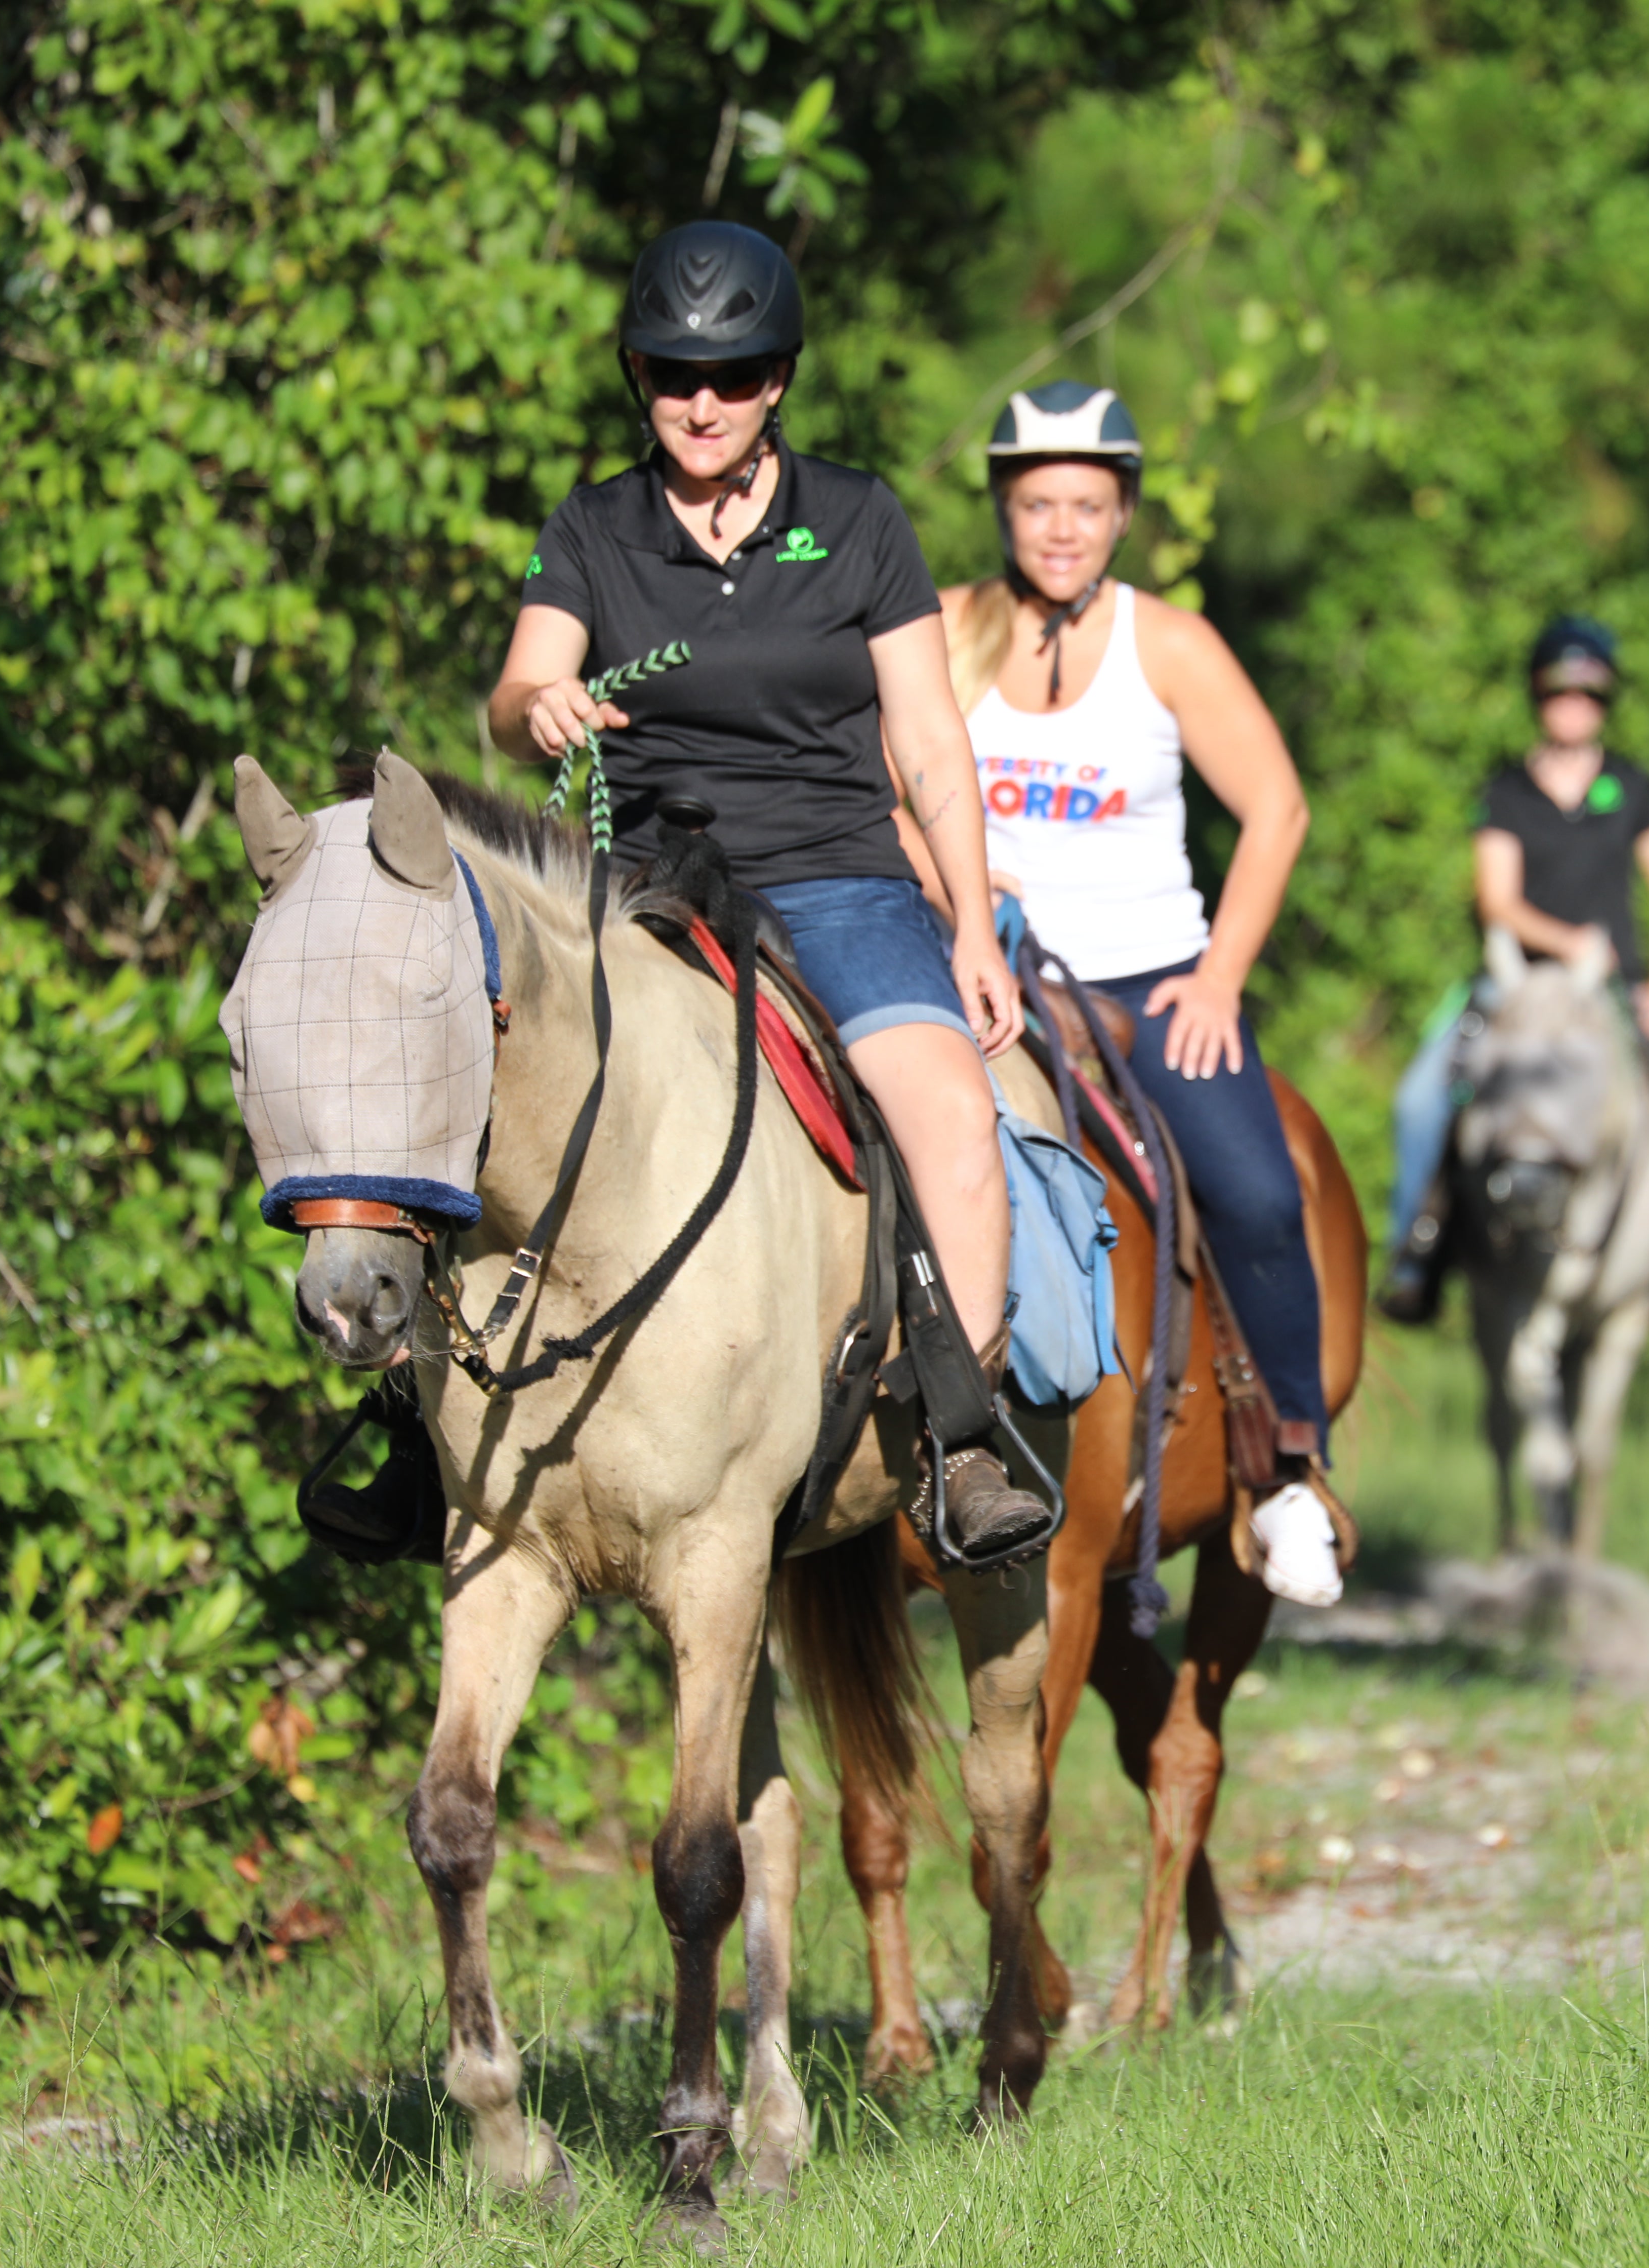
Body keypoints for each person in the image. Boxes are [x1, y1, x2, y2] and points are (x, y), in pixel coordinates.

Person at [484, 220, 1052, 1555]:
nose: (700, 402)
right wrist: (540, 708)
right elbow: (513, 698)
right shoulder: (595, 527)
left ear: (777, 382)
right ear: (638, 375)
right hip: (646, 892)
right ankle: (422, 1434)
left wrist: (971, 926)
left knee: (957, 1127)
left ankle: (959, 1444)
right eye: (674, 373)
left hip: (844, 881)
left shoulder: (858, 520)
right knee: (473, 1082)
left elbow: (927, 743)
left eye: (731, 377)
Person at [925, 379, 1342, 1605]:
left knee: (1263, 1193)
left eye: (1088, 505)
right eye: (1040, 501)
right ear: (1006, 507)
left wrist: (1218, 978)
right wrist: (949, 879)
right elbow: (875, 785)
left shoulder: (1172, 644)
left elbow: (1278, 809)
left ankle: (1294, 1472)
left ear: (1122, 517)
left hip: (1147, 975)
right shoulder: (947, 631)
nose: (1062, 527)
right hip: (975, 960)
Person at [1375, 615, 1649, 1336]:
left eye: (1588, 695)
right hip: (1513, 985)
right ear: (1538, 698)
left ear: (1606, 702)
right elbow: (1498, 900)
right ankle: (1416, 1250)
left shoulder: (1633, 790)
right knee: (1419, 1101)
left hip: (1613, 993)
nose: (1573, 707)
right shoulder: (1508, 792)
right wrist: (1570, 940)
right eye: (1559, 693)